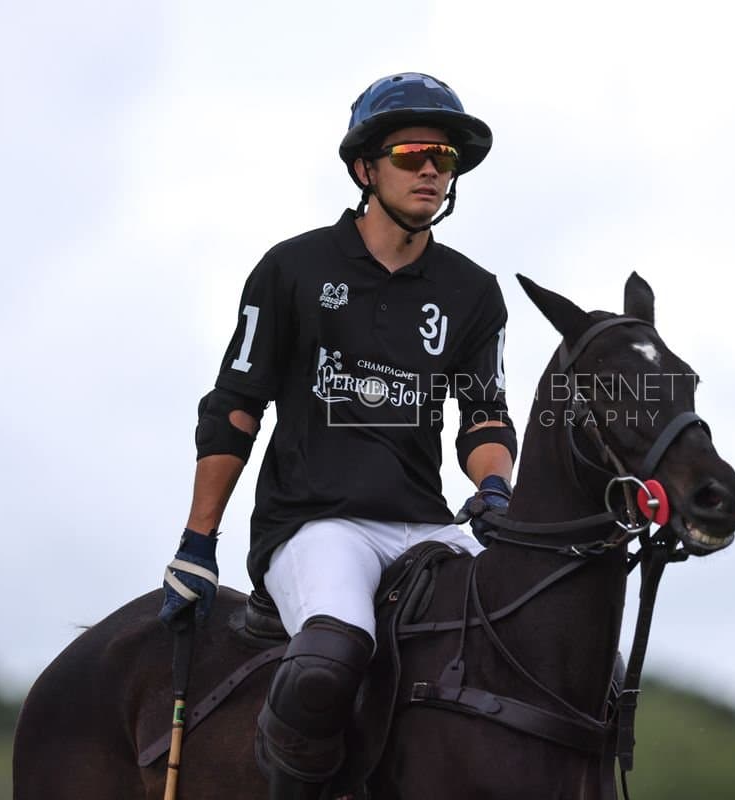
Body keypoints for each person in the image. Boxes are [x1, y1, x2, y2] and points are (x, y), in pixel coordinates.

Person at [156, 72, 517, 799]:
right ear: (365, 168)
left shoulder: (473, 292)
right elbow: (235, 408)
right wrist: (199, 542)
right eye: (413, 153)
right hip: (314, 524)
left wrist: (494, 488)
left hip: (424, 527)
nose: (429, 171)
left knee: (535, 621)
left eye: (443, 159)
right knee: (329, 657)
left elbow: (482, 414)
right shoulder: (292, 268)